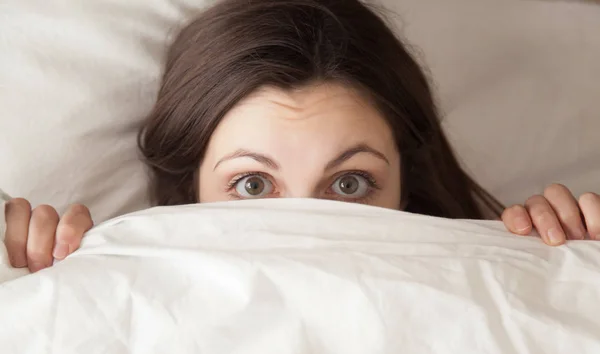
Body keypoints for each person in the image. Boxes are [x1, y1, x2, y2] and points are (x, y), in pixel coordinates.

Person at [3, 0, 599, 273]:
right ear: (190, 189)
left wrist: (575, 263)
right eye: (254, 184)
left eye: (349, 182)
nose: (307, 226)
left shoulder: (498, 286)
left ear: (404, 186)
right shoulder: (101, 292)